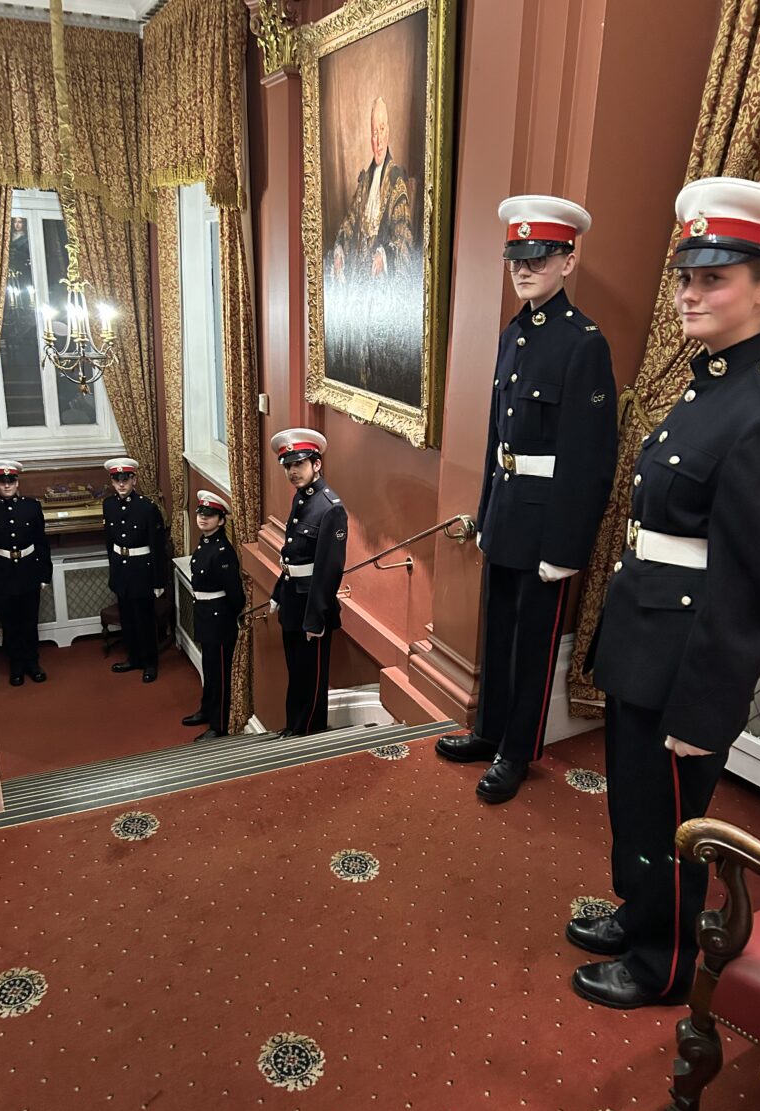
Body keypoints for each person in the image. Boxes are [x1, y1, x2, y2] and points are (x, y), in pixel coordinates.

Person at [568, 177, 760, 1010]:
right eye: (685, 277)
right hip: (647, 633)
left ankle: (663, 963)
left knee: (669, 818)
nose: (689, 293)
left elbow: (749, 585)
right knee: (634, 802)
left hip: (686, 659)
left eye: (714, 278)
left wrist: (704, 710)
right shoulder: (709, 384)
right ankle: (637, 914)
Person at [435, 196, 618, 803]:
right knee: (498, 634)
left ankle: (517, 750)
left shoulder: (583, 343)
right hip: (508, 511)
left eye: (539, 257)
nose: (524, 268)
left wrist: (566, 548)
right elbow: (498, 439)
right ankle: (489, 731)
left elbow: (591, 460)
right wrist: (487, 514)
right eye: (517, 257)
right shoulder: (513, 335)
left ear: (568, 260)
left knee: (533, 645)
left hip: (546, 524)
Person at [327, 96, 419, 404]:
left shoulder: (397, 180)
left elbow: (404, 235)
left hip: (382, 284)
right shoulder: (365, 180)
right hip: (358, 274)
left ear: (388, 131)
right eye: (373, 132)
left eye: (381, 130)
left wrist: (385, 256)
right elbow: (350, 221)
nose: (377, 139)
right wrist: (339, 252)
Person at [269, 428, 347, 737]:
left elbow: (329, 571)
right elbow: (292, 554)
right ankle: (293, 727)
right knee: (296, 672)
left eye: (299, 464)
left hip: (311, 609)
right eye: (288, 465)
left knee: (311, 677)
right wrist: (278, 592)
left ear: (316, 464)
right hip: (293, 599)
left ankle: (308, 734)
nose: (292, 471)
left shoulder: (330, 508)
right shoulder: (302, 499)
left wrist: (316, 618)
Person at [0, 459, 52, 686]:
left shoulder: (32, 507)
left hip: (29, 570)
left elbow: (41, 543)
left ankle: (32, 663)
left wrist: (44, 574)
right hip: (2, 573)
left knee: (29, 620)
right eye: (2, 481)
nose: (7, 485)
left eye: (11, 480)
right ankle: (16, 665)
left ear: (17, 482)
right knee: (9, 623)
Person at [181, 490, 245, 743]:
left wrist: (227, 616)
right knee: (209, 667)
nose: (203, 518)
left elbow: (236, 595)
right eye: (201, 513)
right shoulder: (205, 543)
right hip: (205, 614)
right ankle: (207, 709)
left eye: (210, 515)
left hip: (219, 619)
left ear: (221, 520)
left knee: (219, 673)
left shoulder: (222, 551)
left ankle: (219, 724)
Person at [102, 457, 166, 684]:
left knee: (144, 619)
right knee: (127, 617)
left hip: (142, 570)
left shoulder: (147, 508)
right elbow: (109, 542)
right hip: (121, 569)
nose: (121, 484)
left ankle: (150, 662)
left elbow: (157, 547)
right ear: (112, 482)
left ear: (134, 480)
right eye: (117, 480)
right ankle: (134, 657)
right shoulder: (109, 505)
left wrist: (158, 581)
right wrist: (114, 568)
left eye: (125, 479)